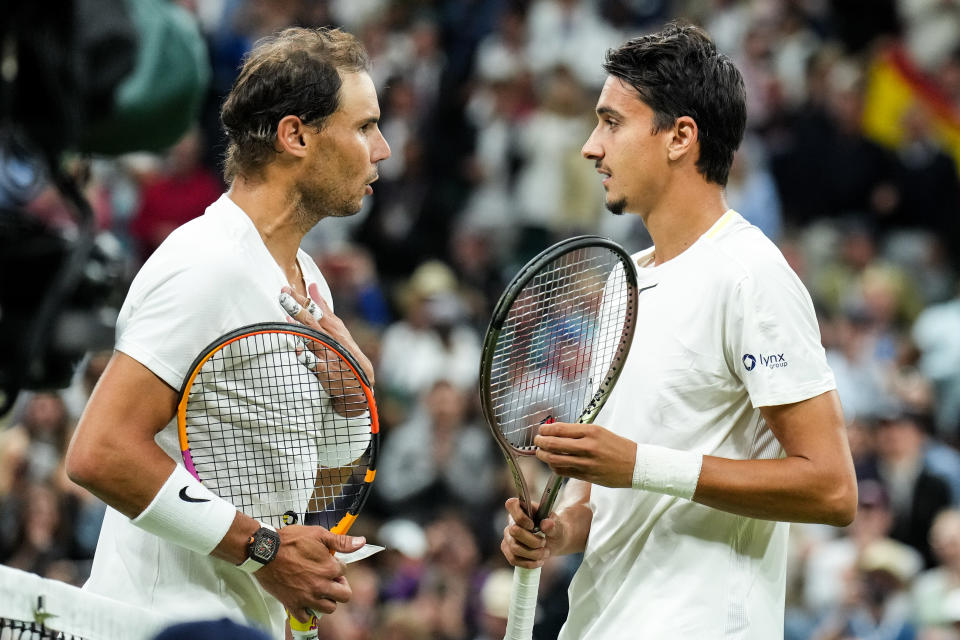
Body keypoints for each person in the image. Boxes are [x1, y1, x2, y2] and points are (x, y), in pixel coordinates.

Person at [499, 22, 858, 639]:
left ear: (680, 137)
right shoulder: (624, 283)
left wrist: (639, 464)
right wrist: (560, 532)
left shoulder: (751, 276)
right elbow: (610, 500)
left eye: (612, 122)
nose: (590, 146)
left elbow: (831, 489)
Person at [65, 27, 390, 637]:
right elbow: (99, 453)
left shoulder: (304, 276)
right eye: (365, 126)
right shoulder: (204, 265)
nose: (383, 149)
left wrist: (349, 405)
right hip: (156, 622)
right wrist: (262, 549)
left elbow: (310, 492)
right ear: (296, 135)